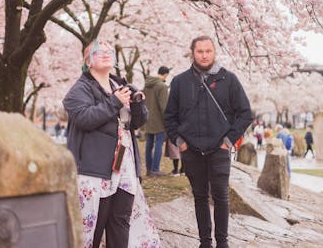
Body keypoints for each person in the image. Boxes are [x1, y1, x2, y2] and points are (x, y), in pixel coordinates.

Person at [63, 40, 160, 248]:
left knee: (120, 221)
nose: (106, 54)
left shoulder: (121, 85)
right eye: (98, 52)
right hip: (95, 170)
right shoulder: (79, 90)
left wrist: (138, 104)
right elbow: (84, 118)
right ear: (87, 61)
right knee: (95, 225)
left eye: (109, 51)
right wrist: (114, 101)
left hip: (124, 165)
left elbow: (137, 122)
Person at [164, 35, 253, 248]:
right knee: (200, 196)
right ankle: (205, 242)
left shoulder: (228, 79)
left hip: (219, 148)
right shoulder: (180, 81)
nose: (204, 55)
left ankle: (222, 242)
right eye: (200, 51)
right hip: (191, 149)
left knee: (221, 196)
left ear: (214, 52)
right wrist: (180, 142)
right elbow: (169, 117)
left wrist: (229, 141)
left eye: (208, 51)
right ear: (192, 53)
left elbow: (245, 113)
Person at [142, 66, 170, 176]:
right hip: (158, 121)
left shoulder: (147, 85)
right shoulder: (162, 86)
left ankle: (149, 169)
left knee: (149, 145)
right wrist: (168, 121)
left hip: (147, 119)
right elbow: (164, 106)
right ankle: (155, 169)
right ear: (166, 74)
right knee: (158, 144)